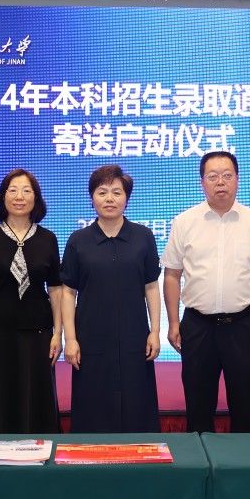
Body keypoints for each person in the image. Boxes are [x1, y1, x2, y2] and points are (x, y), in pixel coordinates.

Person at [163, 152, 250, 433]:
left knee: (244, 405)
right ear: (202, 182)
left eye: (227, 175)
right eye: (213, 176)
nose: (221, 182)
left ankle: (243, 459)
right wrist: (173, 323)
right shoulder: (184, 222)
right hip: (198, 325)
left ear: (238, 180)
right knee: (197, 405)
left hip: (243, 324)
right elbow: (172, 275)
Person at [61, 165, 162, 433]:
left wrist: (155, 332)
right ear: (92, 197)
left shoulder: (143, 237)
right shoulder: (78, 240)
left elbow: (151, 286)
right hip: (91, 338)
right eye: (102, 192)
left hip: (134, 337)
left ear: (127, 198)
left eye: (117, 192)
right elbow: (68, 292)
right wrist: (70, 338)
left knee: (137, 404)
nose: (109, 199)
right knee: (92, 405)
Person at [0, 169, 64, 434]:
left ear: (36, 198)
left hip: (37, 333)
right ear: (3, 197)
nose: (19, 197)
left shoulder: (48, 239)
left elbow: (56, 289)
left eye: (26, 191)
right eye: (13, 190)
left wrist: (58, 333)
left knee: (36, 399)